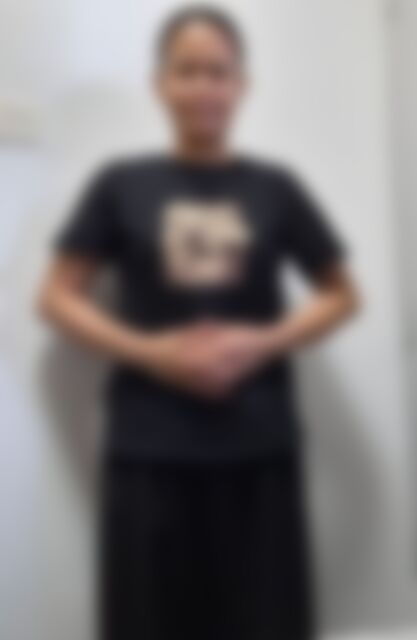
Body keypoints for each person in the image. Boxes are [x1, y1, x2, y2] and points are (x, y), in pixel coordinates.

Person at [38, 6, 358, 640]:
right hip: (149, 449)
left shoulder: (276, 188)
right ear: (161, 83)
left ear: (242, 84)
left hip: (258, 448)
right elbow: (56, 297)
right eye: (187, 71)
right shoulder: (120, 184)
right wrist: (150, 352)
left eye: (219, 72)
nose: (204, 87)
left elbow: (341, 294)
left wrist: (261, 342)